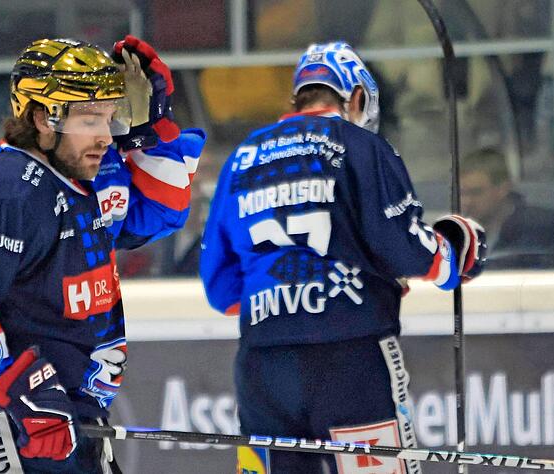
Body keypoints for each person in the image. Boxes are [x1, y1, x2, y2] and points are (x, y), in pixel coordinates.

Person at [0, 37, 204, 473]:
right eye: (89, 119)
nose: (106, 137)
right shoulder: (11, 187)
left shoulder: (83, 178)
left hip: (66, 421)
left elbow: (162, 212)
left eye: (109, 117)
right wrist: (19, 393)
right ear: (40, 119)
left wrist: (152, 128)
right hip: (12, 428)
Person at [200, 41, 486, 474]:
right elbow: (404, 248)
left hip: (263, 365)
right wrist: (456, 250)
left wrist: (287, 296)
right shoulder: (361, 146)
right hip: (351, 357)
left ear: (297, 98)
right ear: (355, 98)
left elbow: (222, 289)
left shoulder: (241, 157)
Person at [460, 147, 554, 269]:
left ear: (503, 189)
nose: (467, 201)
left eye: (476, 192)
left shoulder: (542, 227)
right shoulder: (459, 235)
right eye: (462, 193)